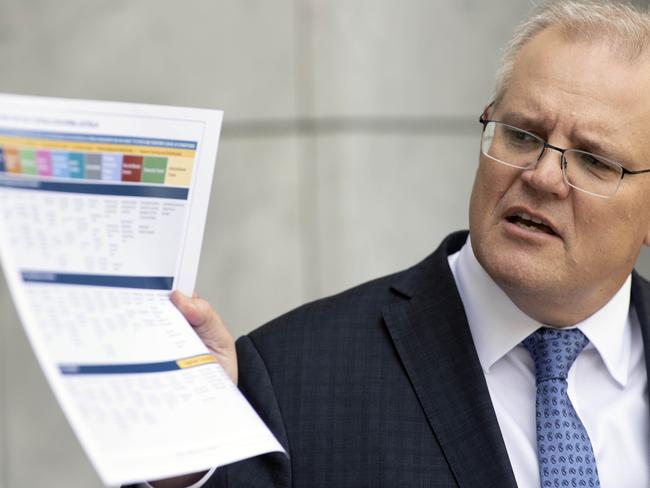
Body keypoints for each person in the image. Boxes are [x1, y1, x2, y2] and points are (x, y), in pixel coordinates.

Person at [144, 0, 650, 486]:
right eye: (520, 134)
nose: (541, 177)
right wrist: (190, 468)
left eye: (594, 161)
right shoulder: (294, 375)